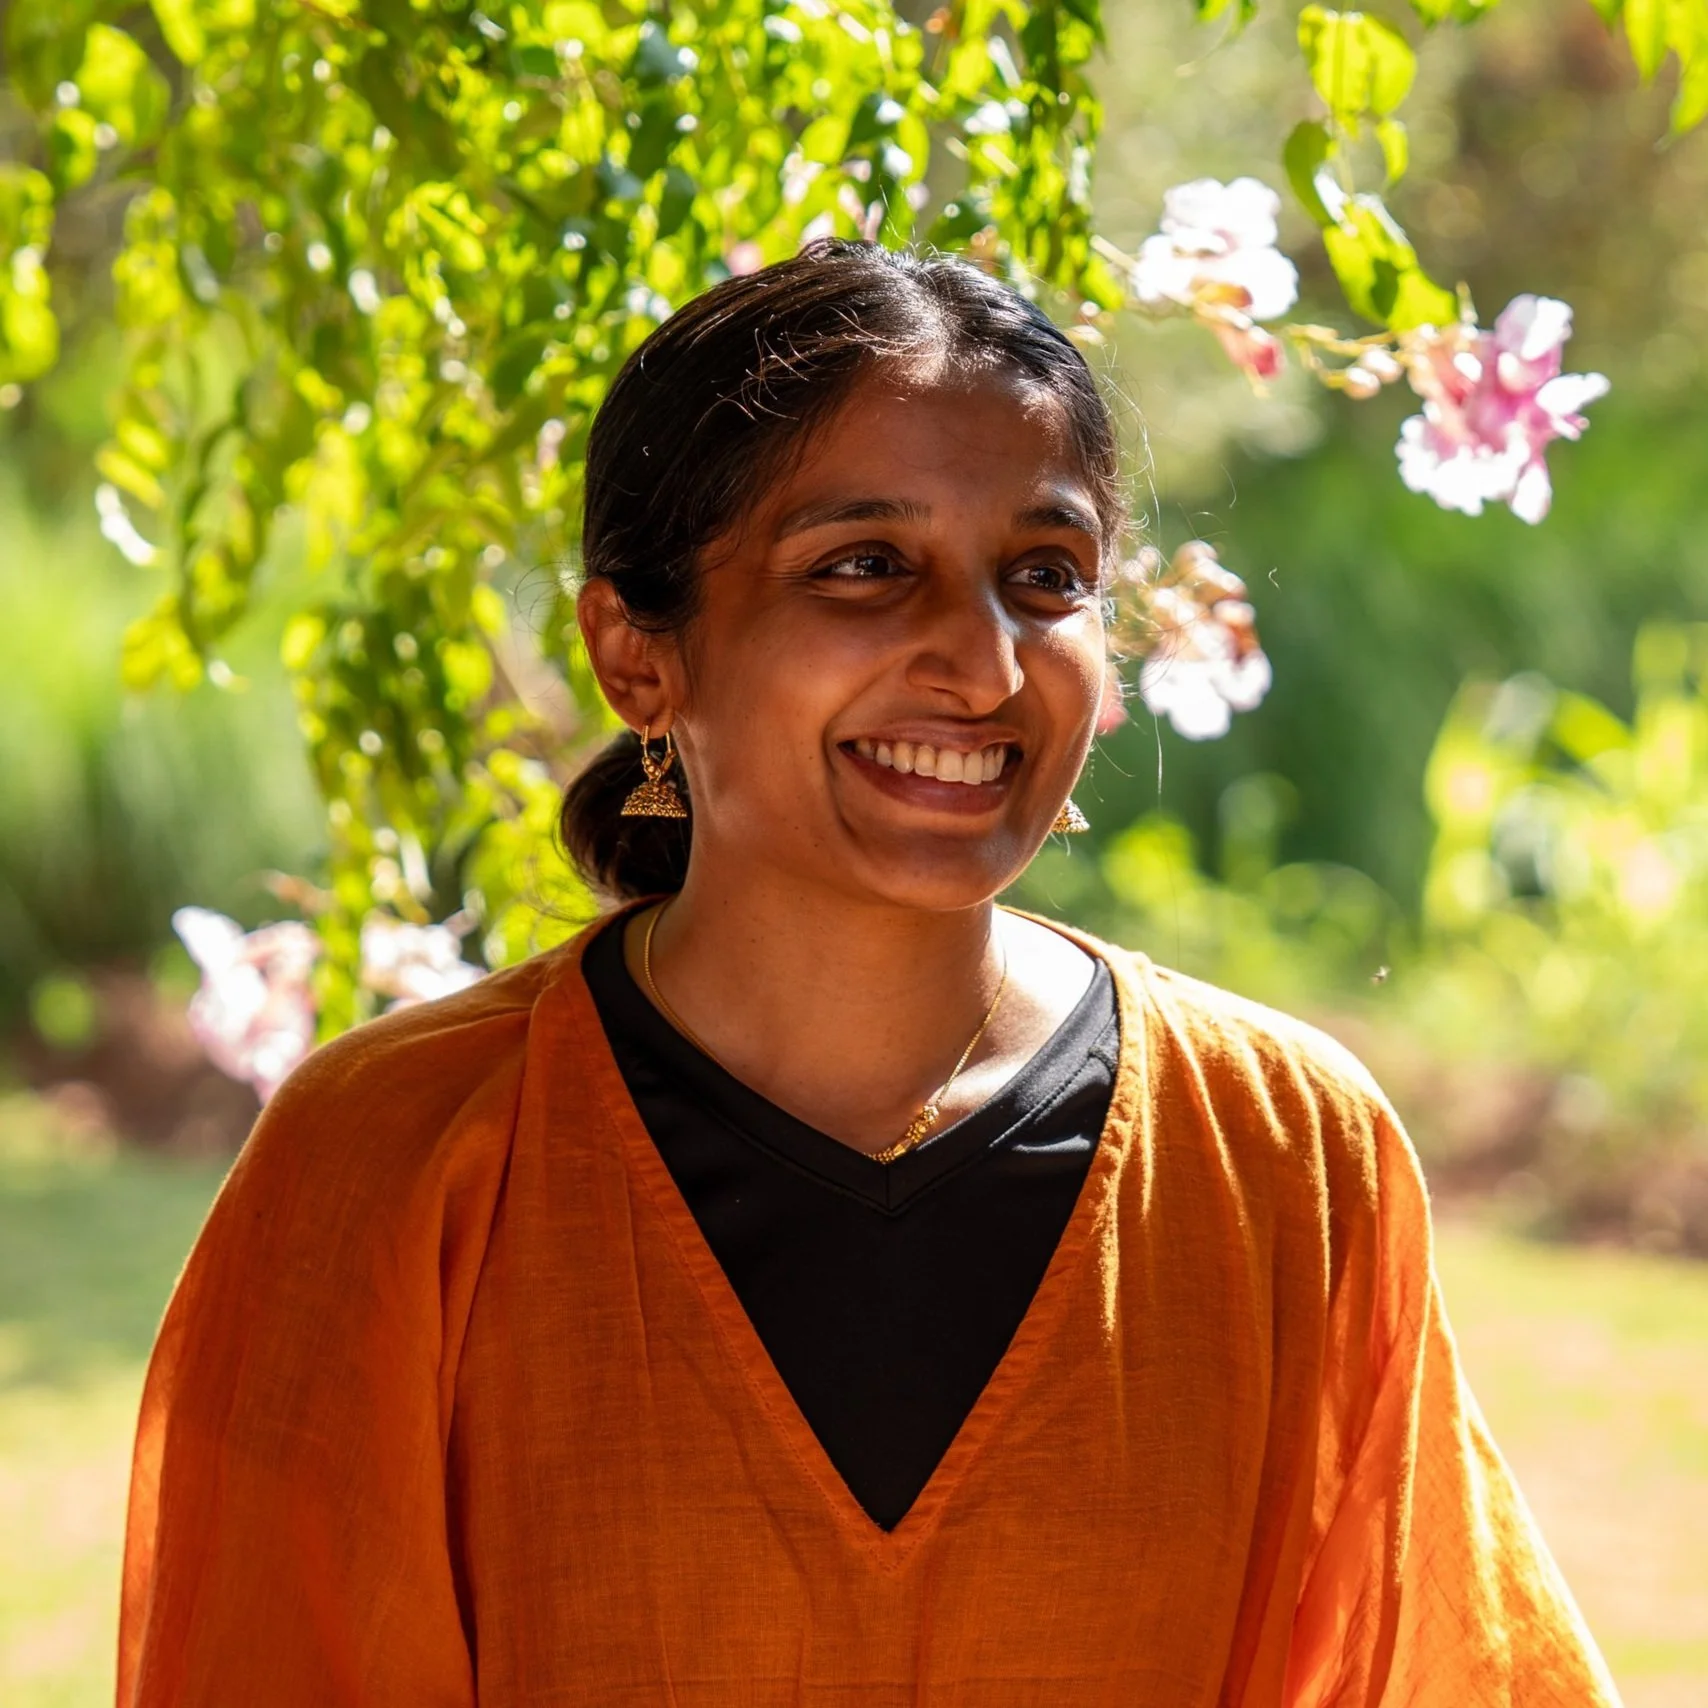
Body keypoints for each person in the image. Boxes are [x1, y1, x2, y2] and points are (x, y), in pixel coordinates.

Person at [118, 239, 1621, 1706]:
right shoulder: (393, 1159)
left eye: (1045, 575)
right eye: (863, 567)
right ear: (637, 655)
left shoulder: (1282, 1154)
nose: (983, 662)